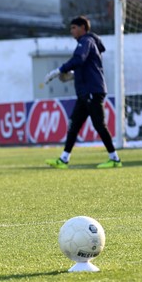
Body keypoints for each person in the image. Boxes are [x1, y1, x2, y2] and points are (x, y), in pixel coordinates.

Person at [44, 15, 121, 169]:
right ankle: (64, 159)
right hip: (85, 92)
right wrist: (73, 75)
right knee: (74, 125)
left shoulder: (86, 41)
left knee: (99, 125)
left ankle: (115, 159)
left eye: (74, 28)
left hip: (92, 90)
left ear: (82, 28)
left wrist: (59, 70)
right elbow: (87, 66)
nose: (71, 31)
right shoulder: (88, 42)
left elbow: (79, 59)